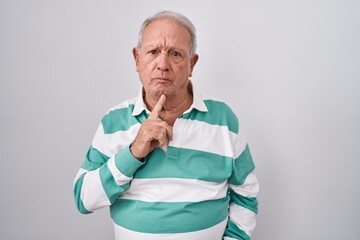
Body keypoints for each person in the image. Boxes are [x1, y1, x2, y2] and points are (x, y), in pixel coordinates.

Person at [73, 10, 259, 240]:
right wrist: (132, 154)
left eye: (175, 54)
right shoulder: (114, 121)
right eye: (153, 52)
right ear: (137, 59)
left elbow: (246, 193)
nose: (162, 64)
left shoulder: (223, 120)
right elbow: (83, 199)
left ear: (192, 64)